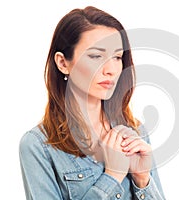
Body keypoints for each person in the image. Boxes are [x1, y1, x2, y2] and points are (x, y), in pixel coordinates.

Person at [19, 6, 165, 200]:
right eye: (96, 56)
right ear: (63, 63)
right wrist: (112, 176)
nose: (111, 69)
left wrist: (142, 180)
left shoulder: (135, 132)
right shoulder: (38, 145)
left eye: (117, 57)